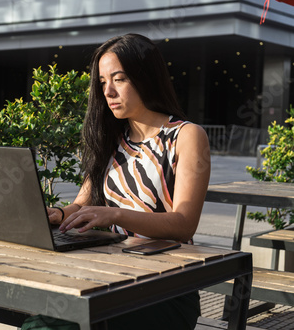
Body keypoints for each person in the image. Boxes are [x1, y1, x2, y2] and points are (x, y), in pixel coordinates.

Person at [23, 33, 211, 329]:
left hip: (166, 285)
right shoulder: (112, 139)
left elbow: (184, 223)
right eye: (102, 82)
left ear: (145, 77)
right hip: (110, 274)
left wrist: (114, 214)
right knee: (40, 323)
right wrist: (59, 214)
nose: (107, 91)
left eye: (119, 79)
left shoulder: (186, 136)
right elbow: (82, 204)